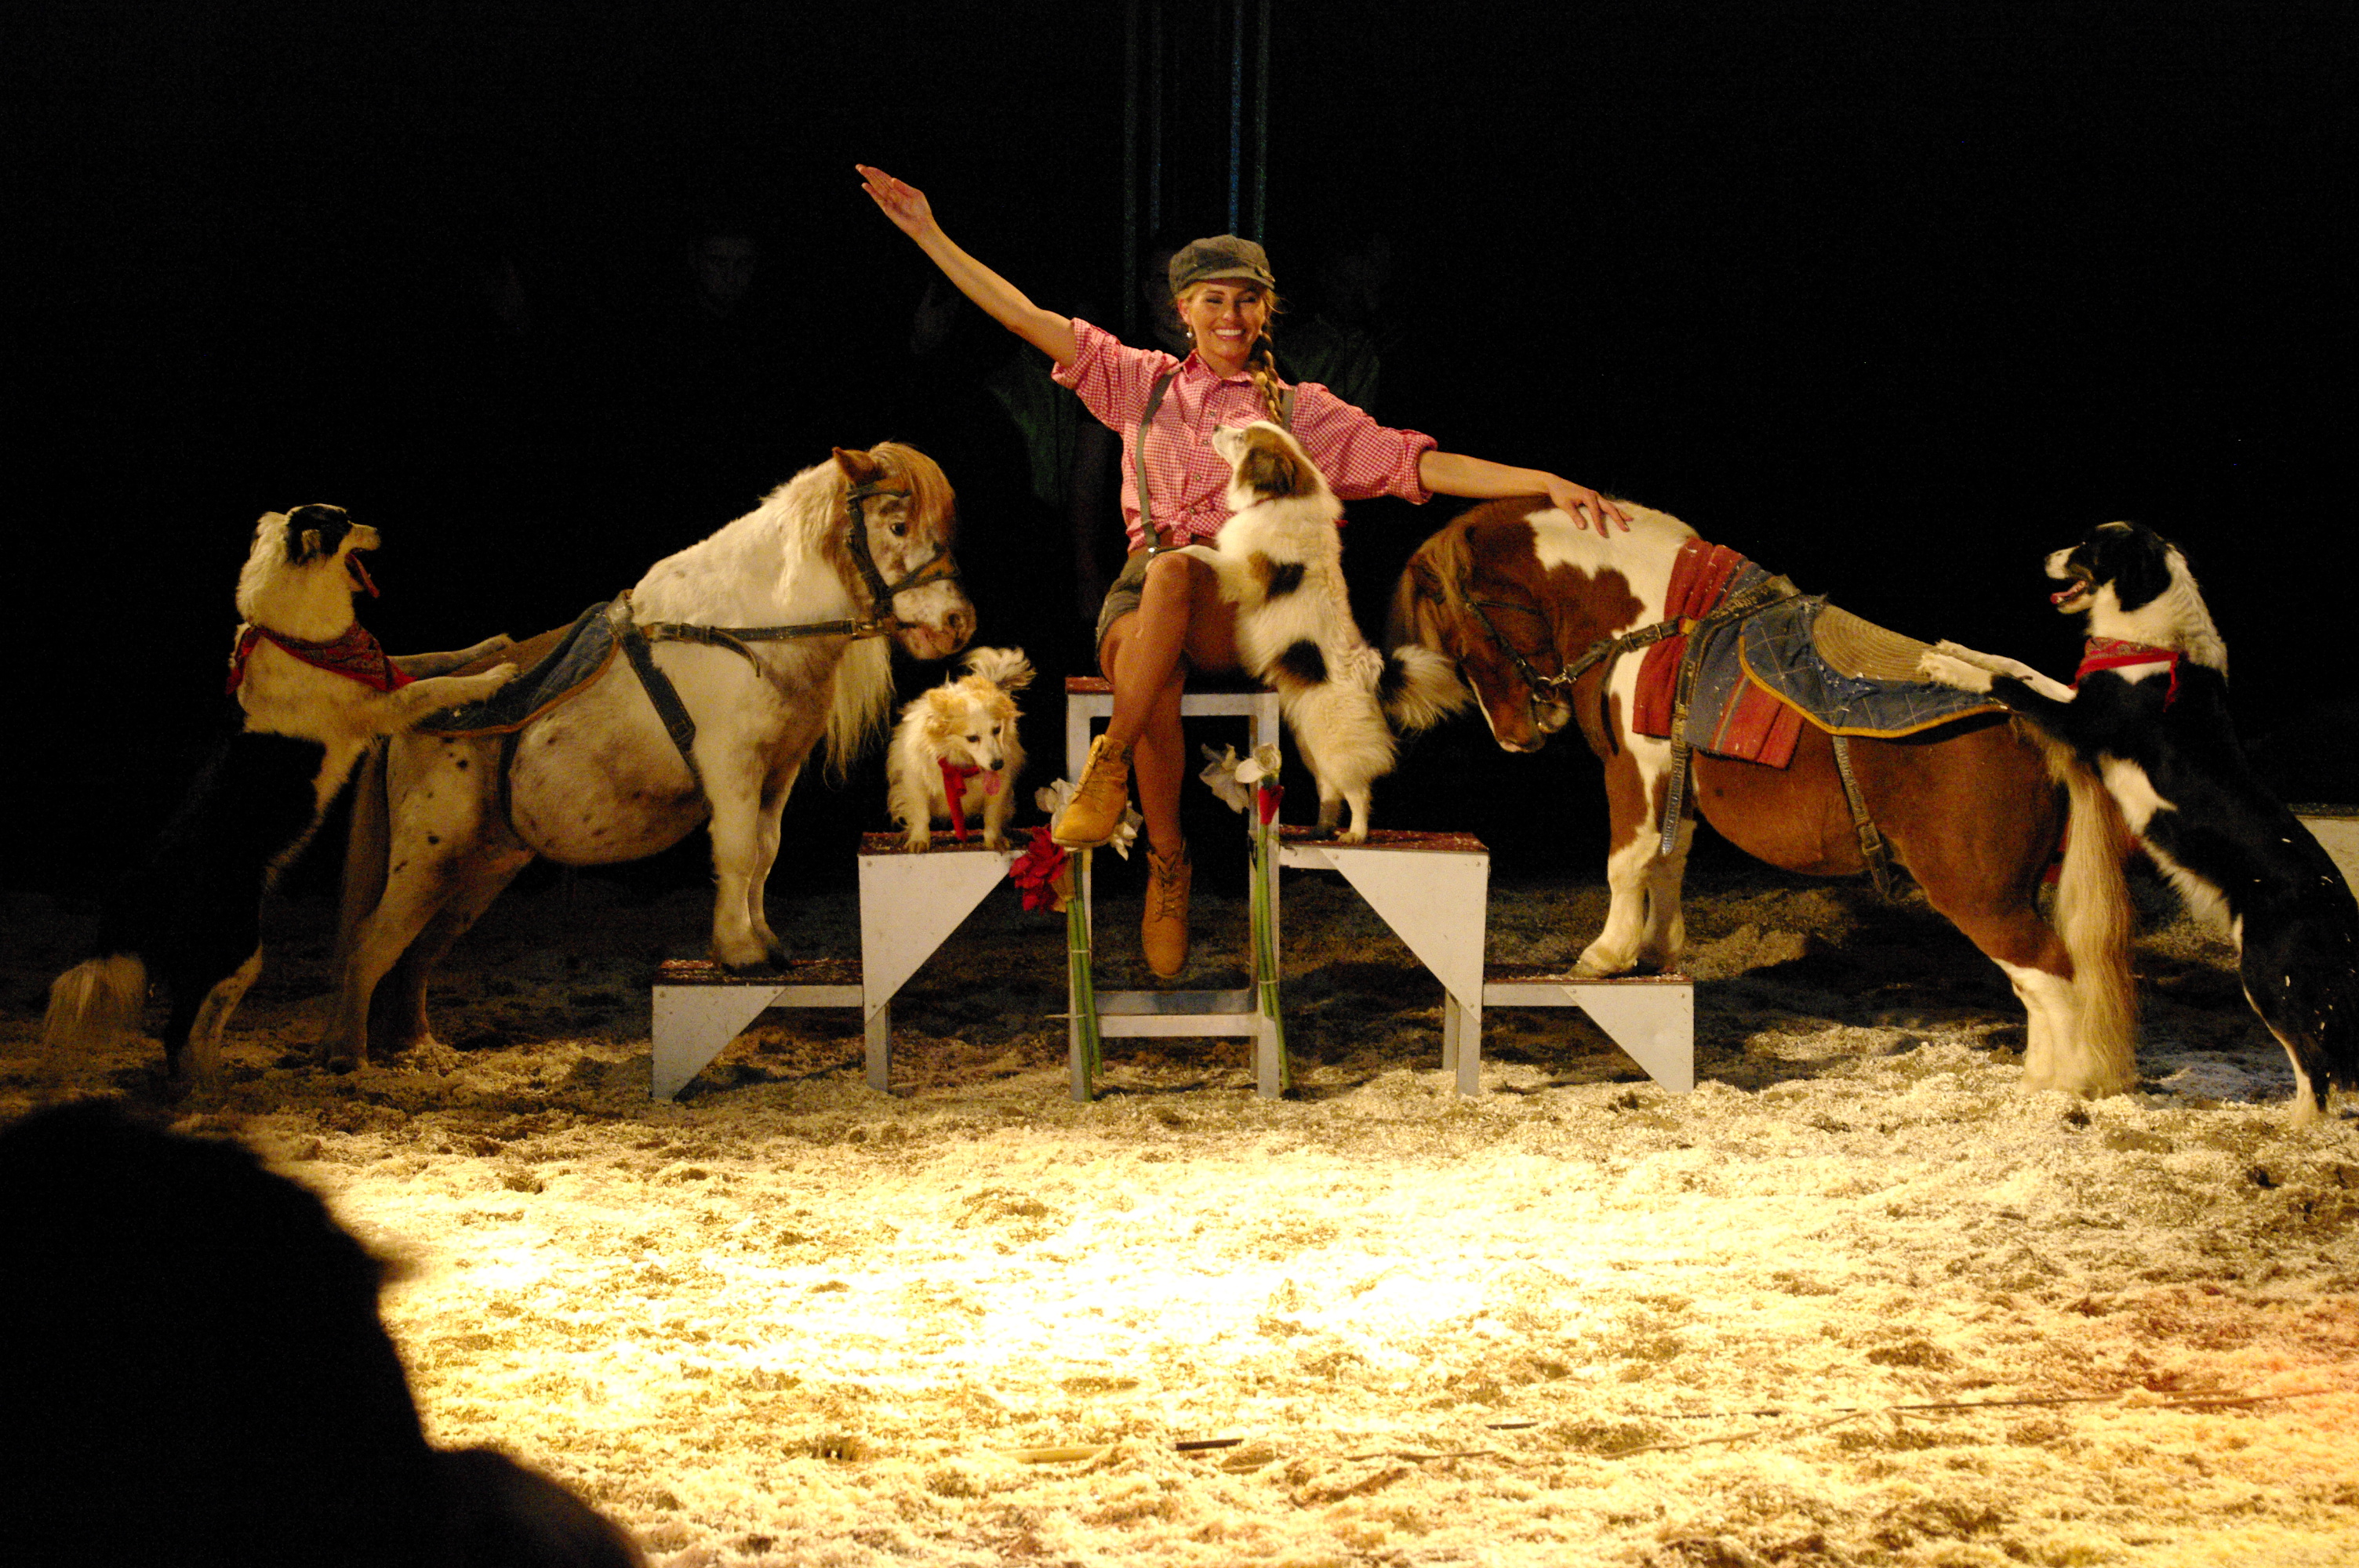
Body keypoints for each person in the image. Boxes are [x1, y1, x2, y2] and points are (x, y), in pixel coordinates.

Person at [858, 164, 1630, 978]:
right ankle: (1168, 861)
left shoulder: (1301, 413)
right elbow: (1020, 314)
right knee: (1143, 631)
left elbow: (1420, 465)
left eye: (1246, 299)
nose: (1230, 315)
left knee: (1177, 575)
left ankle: (1109, 767)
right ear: (1180, 309)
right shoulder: (1137, 382)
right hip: (1145, 589)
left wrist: (1540, 480)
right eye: (1212, 300)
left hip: (1241, 598)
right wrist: (926, 231)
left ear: (1266, 310)